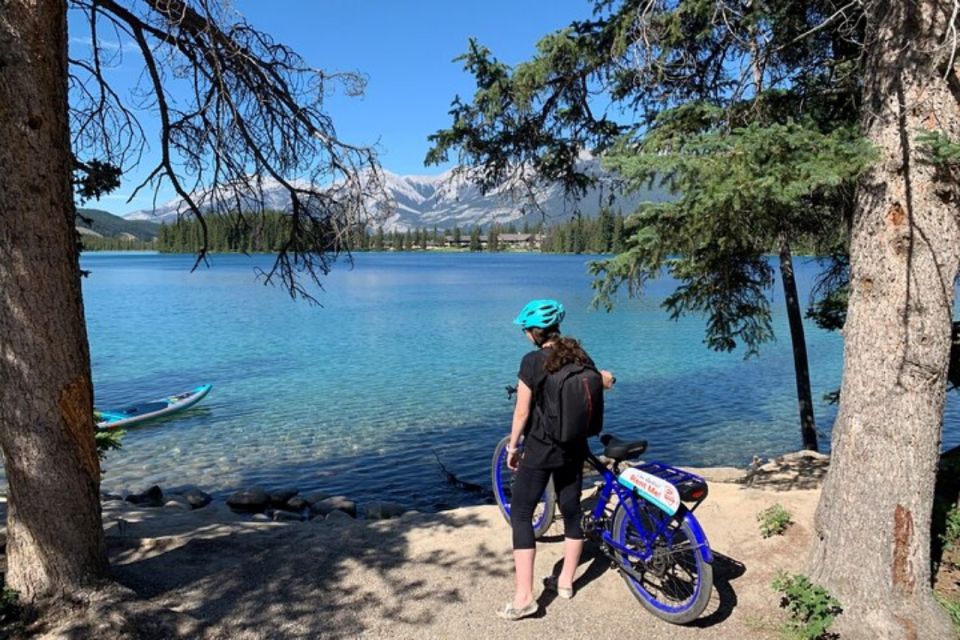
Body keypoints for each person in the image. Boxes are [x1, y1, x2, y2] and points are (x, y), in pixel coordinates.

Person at [498, 299, 615, 620]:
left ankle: (524, 598)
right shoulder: (579, 355)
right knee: (572, 509)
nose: (525, 336)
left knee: (521, 514)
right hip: (575, 448)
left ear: (536, 333)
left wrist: (513, 448)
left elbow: (522, 411)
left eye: (525, 331)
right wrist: (606, 379)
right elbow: (598, 381)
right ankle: (565, 583)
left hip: (541, 449)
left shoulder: (532, 362)